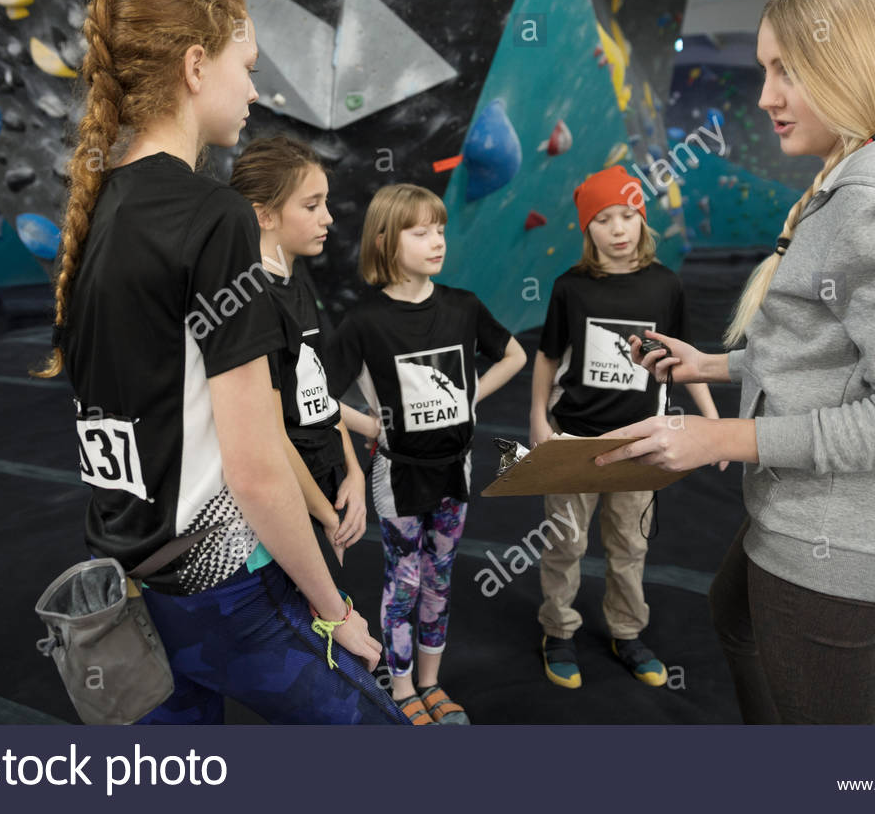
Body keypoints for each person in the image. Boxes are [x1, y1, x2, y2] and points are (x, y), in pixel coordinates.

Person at [592, 0, 875, 723]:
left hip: (835, 541)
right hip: (806, 516)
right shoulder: (861, 179)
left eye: (785, 70)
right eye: (763, 71)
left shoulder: (872, 209)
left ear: (845, 65)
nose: (765, 97)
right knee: (733, 615)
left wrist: (723, 434)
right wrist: (714, 365)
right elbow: (834, 356)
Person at [35, 0, 405, 724]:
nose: (255, 91)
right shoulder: (212, 216)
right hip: (223, 587)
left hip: (133, 579)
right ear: (196, 66)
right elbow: (256, 466)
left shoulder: (95, 211)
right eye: (248, 68)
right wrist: (337, 611)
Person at [323, 184, 527, 724]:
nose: (437, 240)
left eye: (440, 229)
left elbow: (514, 354)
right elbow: (315, 395)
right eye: (421, 231)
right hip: (400, 474)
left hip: (454, 469)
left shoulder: (462, 306)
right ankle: (403, 684)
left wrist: (468, 397)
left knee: (440, 576)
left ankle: (432, 683)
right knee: (404, 579)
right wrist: (373, 425)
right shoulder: (365, 323)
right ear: (387, 240)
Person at [529, 165, 727, 690]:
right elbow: (548, 358)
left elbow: (687, 362)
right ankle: (559, 630)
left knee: (629, 547)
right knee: (566, 544)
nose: (617, 229)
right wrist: (536, 422)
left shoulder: (666, 286)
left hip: (642, 443)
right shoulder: (570, 288)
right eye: (602, 219)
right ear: (586, 230)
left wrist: (712, 422)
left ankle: (625, 629)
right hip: (574, 441)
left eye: (627, 216)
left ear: (642, 220)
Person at [229, 135, 369, 565]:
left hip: (323, 478)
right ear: (264, 215)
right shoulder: (252, 302)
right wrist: (325, 515)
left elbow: (316, 389)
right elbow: (269, 436)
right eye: (311, 206)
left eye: (325, 203)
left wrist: (354, 471)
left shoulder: (297, 279)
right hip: (286, 500)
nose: (327, 218)